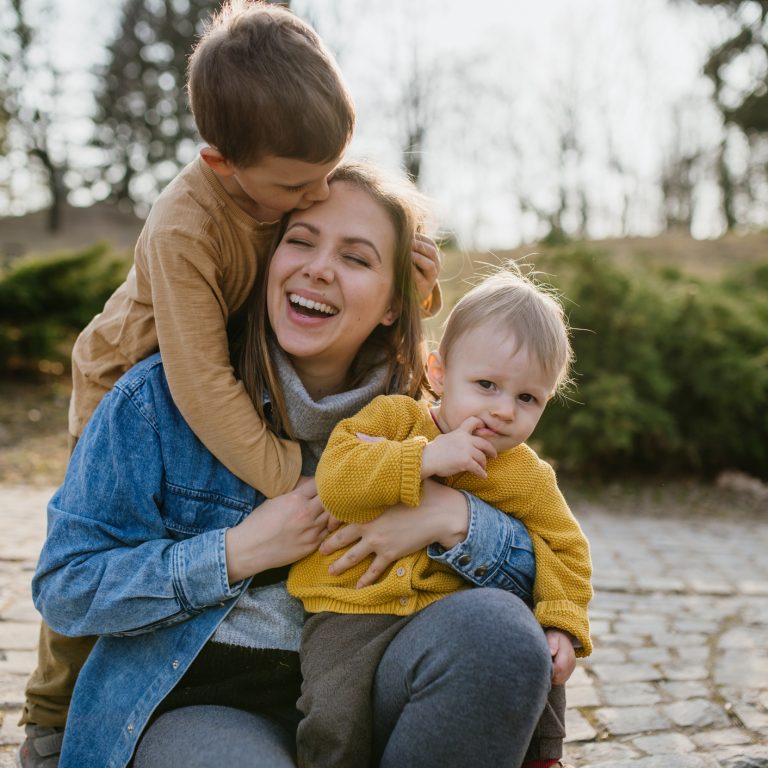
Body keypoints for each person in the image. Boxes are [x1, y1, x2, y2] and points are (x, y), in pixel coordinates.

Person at [17, 3, 441, 765]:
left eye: (325, 176)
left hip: (220, 370)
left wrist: (411, 284)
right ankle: (51, 714)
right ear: (224, 165)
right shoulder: (185, 227)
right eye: (299, 196)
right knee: (98, 526)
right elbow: (200, 382)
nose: (315, 199)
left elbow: (344, 261)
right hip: (139, 374)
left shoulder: (279, 180)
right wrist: (287, 481)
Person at [31, 162, 555, 768]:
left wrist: (454, 519)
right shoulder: (159, 403)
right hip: (209, 706)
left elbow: (551, 566)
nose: (319, 268)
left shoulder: (436, 421)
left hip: (367, 688)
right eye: (300, 241)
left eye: (357, 259)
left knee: (501, 637)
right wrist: (236, 551)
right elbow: (66, 587)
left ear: (392, 303)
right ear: (268, 264)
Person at [288, 269, 593, 768]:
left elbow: (565, 547)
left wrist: (562, 623)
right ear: (438, 373)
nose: (503, 411)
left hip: (447, 621)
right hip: (350, 610)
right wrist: (423, 459)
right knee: (334, 720)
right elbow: (336, 482)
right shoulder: (395, 419)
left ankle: (539, 760)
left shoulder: (526, 475)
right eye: (487, 385)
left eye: (526, 398)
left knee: (533, 656)